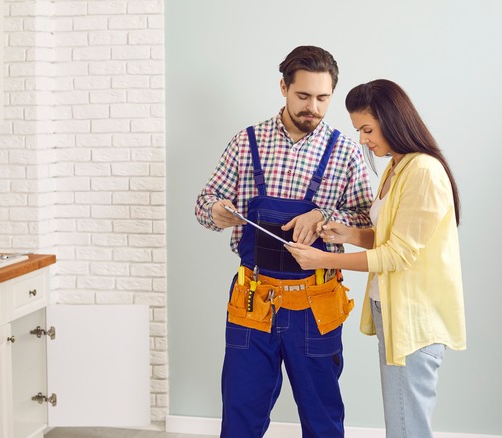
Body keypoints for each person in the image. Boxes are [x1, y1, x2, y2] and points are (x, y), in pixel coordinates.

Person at [194, 45, 373, 438]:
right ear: (283, 88)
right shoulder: (247, 143)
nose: (313, 107)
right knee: (240, 414)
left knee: (322, 417)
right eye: (303, 96)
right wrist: (217, 213)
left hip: (315, 304)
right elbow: (204, 204)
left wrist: (325, 217)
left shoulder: (345, 151)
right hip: (252, 300)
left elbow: (369, 224)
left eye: (323, 98)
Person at [286, 79, 467, 438]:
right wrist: (348, 234)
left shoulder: (424, 172)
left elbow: (397, 255)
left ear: (392, 120)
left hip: (414, 317)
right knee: (401, 422)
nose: (363, 140)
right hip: (393, 311)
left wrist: (323, 261)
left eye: (367, 129)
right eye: (359, 131)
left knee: (406, 427)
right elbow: (389, 237)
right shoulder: (395, 168)